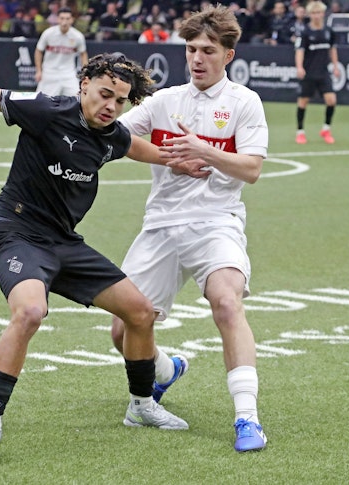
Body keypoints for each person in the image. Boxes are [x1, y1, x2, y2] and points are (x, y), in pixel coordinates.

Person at [0, 52, 208, 457]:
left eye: (119, 101)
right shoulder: (46, 111)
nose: (110, 107)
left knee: (139, 312)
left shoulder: (110, 135)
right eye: (104, 95)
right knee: (30, 311)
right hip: (15, 233)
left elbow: (135, 147)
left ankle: (141, 406)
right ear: (84, 84)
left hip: (64, 243)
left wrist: (179, 162)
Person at [110, 4, 269, 453]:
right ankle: (165, 369)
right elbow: (117, 138)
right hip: (161, 225)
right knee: (122, 332)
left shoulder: (243, 102)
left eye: (208, 50)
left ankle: (247, 418)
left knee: (225, 301)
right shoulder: (164, 101)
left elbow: (252, 169)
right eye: (191, 49)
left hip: (216, 222)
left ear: (229, 55)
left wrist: (205, 150)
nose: (197, 58)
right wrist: (160, 154)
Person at [294, 0, 340, 145]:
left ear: (323, 13)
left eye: (319, 12)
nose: (316, 15)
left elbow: (332, 49)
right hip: (309, 72)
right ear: (309, 14)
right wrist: (299, 67)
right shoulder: (305, 32)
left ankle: (326, 129)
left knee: (331, 100)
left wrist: (336, 66)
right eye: (313, 13)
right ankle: (300, 132)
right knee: (303, 102)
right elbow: (299, 51)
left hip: (323, 72)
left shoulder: (328, 31)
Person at [34, 7, 88, 96]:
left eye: (67, 18)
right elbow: (38, 51)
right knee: (40, 101)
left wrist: (85, 73)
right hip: (49, 73)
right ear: (58, 19)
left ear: (72, 20)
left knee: (79, 99)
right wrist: (39, 70)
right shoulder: (48, 33)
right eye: (62, 18)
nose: (64, 22)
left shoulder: (78, 36)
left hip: (68, 74)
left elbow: (83, 54)